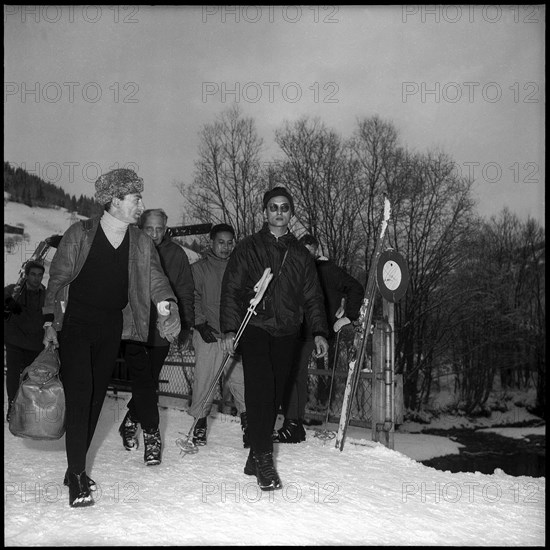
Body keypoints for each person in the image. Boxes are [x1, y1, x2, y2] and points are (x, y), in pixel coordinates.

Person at [42, 168, 181, 508]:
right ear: (116, 200)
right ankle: (77, 476)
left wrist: (166, 303)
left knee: (93, 402)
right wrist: (49, 322)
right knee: (80, 396)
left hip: (111, 329)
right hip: (75, 325)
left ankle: (74, 465)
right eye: (135, 198)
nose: (140, 204)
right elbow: (57, 279)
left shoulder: (141, 242)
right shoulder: (81, 233)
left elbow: (155, 278)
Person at [220, 186, 329, 491]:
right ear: (264, 212)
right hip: (255, 327)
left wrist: (319, 331)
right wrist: (229, 328)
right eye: (273, 207)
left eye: (284, 208)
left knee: (277, 393)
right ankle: (265, 462)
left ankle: (255, 454)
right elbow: (230, 288)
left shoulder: (299, 254)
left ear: (291, 213)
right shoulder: (248, 247)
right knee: (260, 391)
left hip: (288, 331)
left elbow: (312, 297)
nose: (278, 212)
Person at [118, 208, 194, 465]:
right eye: (149, 228)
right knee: (144, 381)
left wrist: (185, 325)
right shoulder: (130, 250)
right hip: (134, 328)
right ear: (141, 227)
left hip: (163, 330)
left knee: (148, 382)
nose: (154, 233)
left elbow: (184, 292)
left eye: (159, 228)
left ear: (166, 227)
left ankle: (130, 419)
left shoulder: (176, 255)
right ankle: (152, 437)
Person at [275, 234, 364, 443]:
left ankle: (293, 425)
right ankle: (294, 425)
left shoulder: (326, 270)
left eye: (309, 251)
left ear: (316, 250)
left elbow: (356, 288)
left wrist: (348, 316)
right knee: (292, 375)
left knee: (293, 375)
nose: (305, 255)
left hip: (315, 332)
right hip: (297, 330)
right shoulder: (298, 270)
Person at [189, 223, 248, 448]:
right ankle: (200, 422)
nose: (225, 247)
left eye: (229, 242)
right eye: (221, 242)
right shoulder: (199, 269)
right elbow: (192, 297)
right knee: (205, 379)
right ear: (211, 243)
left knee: (240, 379)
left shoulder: (239, 268)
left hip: (232, 334)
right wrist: (200, 323)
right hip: (209, 334)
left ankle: (248, 420)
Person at [4, 260, 47, 421]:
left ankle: (27, 407)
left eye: (40, 275)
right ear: (27, 275)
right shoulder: (15, 290)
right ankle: (12, 406)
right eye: (33, 274)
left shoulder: (47, 294)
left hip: (35, 342)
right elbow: (5, 297)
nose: (36, 278)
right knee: (13, 374)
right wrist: (8, 302)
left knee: (31, 377)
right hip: (14, 340)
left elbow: (54, 312)